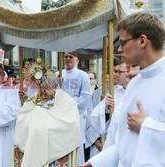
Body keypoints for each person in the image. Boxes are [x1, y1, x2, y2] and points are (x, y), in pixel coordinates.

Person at [79, 12, 165, 167]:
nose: (119, 50)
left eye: (123, 42)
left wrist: (145, 126)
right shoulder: (134, 84)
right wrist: (95, 163)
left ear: (142, 41)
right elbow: (124, 142)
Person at [14, 61, 82, 167]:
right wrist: (38, 114)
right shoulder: (31, 101)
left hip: (57, 148)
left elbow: (71, 124)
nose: (46, 90)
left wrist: (42, 119)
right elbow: (21, 122)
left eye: (49, 86)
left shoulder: (66, 100)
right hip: (35, 145)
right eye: (43, 86)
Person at [56, 52, 91, 164]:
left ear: (77, 59)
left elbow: (86, 98)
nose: (68, 59)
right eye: (66, 56)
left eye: (71, 56)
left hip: (75, 115)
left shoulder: (83, 75)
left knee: (74, 145)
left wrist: (68, 105)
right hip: (58, 117)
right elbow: (49, 94)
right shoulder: (57, 74)